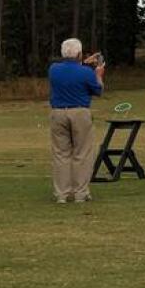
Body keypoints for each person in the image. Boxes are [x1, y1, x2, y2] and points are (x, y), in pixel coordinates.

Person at [47, 38, 105, 204]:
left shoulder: (53, 69)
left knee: (60, 154)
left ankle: (61, 194)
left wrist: (84, 63)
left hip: (58, 113)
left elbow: (70, 70)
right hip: (79, 112)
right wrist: (99, 75)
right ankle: (80, 193)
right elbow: (98, 90)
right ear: (79, 54)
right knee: (82, 153)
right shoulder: (86, 72)